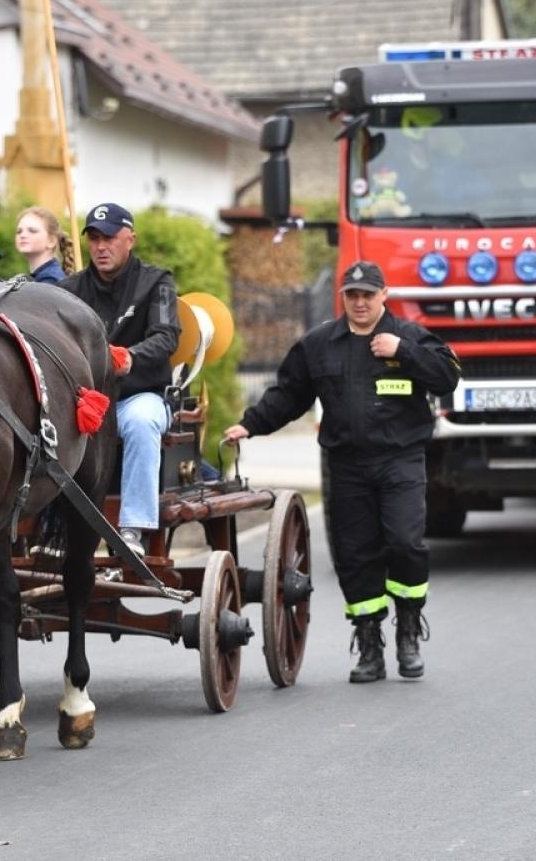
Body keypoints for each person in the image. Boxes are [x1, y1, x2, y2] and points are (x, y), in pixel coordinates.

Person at [222, 260, 461, 684]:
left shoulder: (408, 336)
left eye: (368, 294)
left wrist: (402, 353)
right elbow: (289, 394)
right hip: (347, 464)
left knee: (405, 543)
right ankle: (369, 642)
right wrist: (251, 424)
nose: (360, 302)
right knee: (355, 556)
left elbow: (446, 378)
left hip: (400, 459)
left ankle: (408, 630)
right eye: (353, 295)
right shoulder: (320, 344)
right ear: (343, 299)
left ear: (384, 295)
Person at [59, 202, 180, 557]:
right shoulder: (70, 288)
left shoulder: (157, 281)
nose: (100, 246)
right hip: (87, 402)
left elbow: (166, 335)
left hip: (140, 396)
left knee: (142, 422)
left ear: (131, 239)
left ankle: (132, 530)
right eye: (94, 238)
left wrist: (131, 357)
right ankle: (49, 528)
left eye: (109, 237)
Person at [14, 206, 69, 283]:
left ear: (51, 241)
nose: (23, 235)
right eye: (19, 231)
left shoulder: (51, 279)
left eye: (32, 231)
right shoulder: (37, 277)